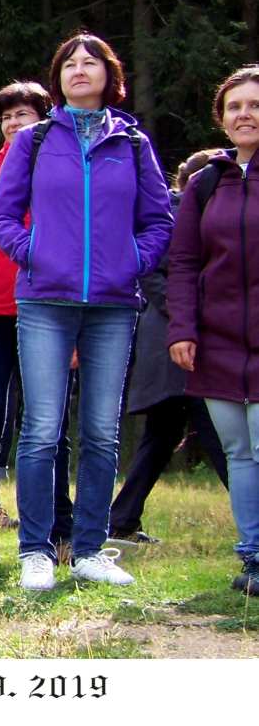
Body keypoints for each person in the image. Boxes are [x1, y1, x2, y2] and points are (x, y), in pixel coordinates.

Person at [0, 32, 174, 591]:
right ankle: (36, 551)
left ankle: (90, 549)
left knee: (101, 432)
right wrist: (36, 254)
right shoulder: (36, 141)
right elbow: (0, 218)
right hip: (45, 301)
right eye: (69, 63)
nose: (79, 69)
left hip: (114, 306)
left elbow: (159, 221)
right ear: (58, 77)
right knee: (42, 430)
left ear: (109, 75)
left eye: (91, 62)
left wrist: (130, 262)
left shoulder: (134, 143)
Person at [0, 81, 78, 566]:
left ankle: (59, 533)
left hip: (52, 316)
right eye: (6, 117)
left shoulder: (66, 173)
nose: (13, 124)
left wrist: (77, 324)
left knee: (52, 428)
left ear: (44, 119)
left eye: (23, 114)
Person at [167, 64, 259, 597]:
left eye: (254, 105)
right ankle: (253, 559)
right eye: (235, 107)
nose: (244, 114)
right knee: (239, 452)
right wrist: (183, 328)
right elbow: (182, 262)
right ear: (222, 120)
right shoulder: (205, 183)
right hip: (216, 344)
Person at [108, 150, 231, 543]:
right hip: (172, 347)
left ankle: (122, 520)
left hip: (195, 342)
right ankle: (255, 526)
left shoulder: (214, 221)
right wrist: (187, 320)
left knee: (162, 437)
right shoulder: (171, 219)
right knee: (218, 433)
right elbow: (152, 277)